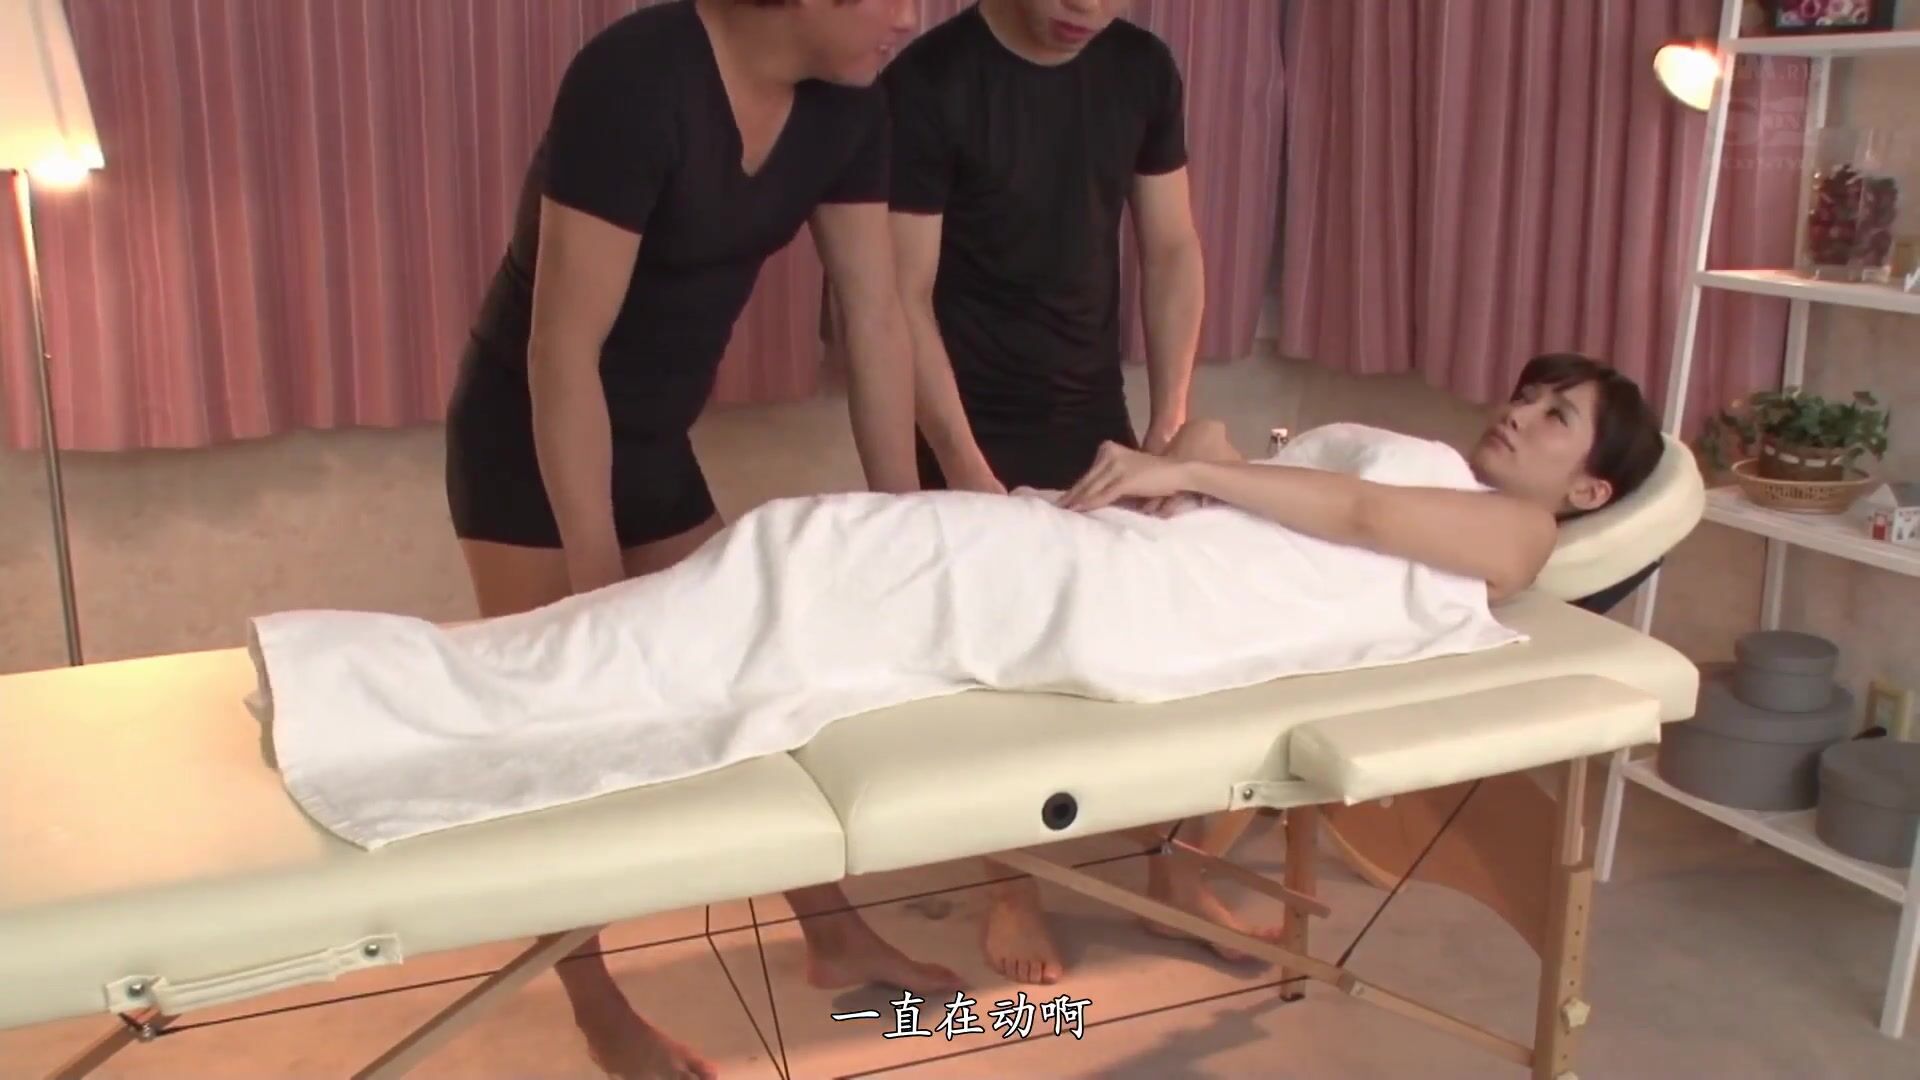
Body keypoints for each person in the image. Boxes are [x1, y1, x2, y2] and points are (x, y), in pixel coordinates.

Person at [436, 2, 950, 1077]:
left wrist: (910, 526)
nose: (912, 17)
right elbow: (560, 352)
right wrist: (596, 588)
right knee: (561, 740)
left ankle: (833, 933)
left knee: (745, 687)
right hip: (529, 437)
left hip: (654, 437)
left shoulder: (852, 97)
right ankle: (595, 1006)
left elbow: (875, 319)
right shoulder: (638, 78)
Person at [876, 0, 1211, 986]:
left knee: (1147, 633)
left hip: (1093, 404)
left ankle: (1172, 862)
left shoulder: (1140, 67)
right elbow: (902, 296)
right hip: (965, 412)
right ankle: (1012, 884)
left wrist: (1169, 427)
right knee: (1002, 668)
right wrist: (964, 466)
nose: (1085, 10)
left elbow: (1172, 248)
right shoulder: (931, 83)